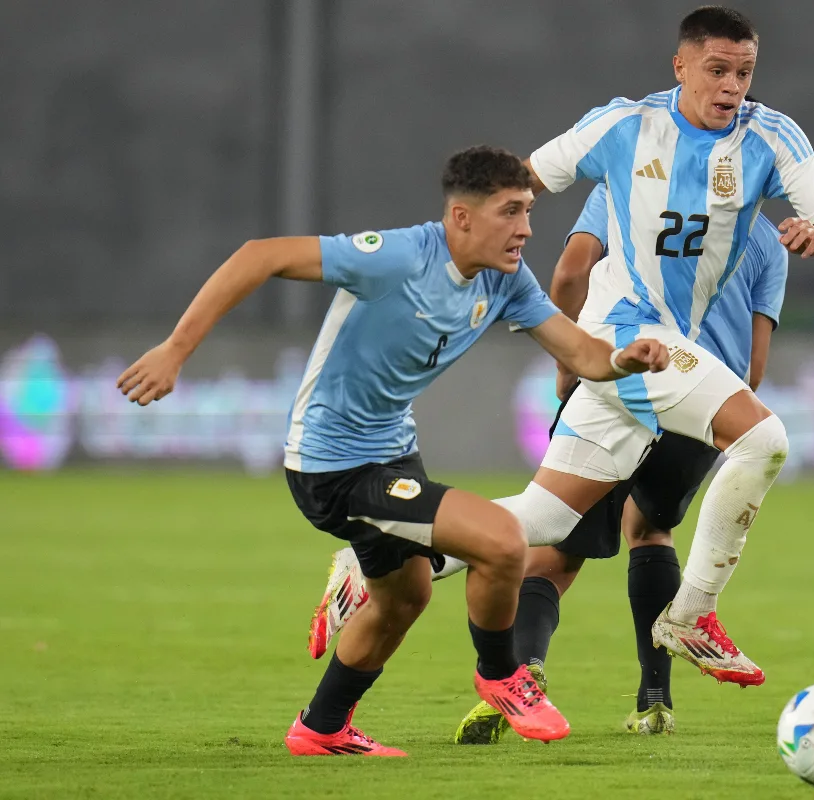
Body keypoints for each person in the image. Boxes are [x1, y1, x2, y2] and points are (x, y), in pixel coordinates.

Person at [115, 145, 669, 757]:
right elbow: (260, 255)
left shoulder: (506, 279)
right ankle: (500, 674)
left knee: (405, 597)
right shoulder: (397, 257)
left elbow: (583, 354)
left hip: (392, 453)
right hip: (331, 464)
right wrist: (175, 350)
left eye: (528, 211)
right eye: (510, 211)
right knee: (502, 541)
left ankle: (321, 727)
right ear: (461, 216)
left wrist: (624, 358)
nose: (526, 229)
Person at [432, 5, 814, 688]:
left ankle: (384, 550)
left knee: (545, 515)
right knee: (764, 439)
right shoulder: (625, 127)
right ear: (680, 66)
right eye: (716, 70)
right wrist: (460, 246)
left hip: (650, 351)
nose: (731, 87)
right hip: (626, 331)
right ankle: (691, 615)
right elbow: (523, 182)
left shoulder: (770, 137)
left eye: (744, 73)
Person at [306, 178, 788, 741]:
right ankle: (663, 677)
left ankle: (376, 562)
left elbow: (569, 272)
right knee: (655, 528)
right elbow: (752, 368)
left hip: (613, 366)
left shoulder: (627, 179)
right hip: (692, 393)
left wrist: (571, 364)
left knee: (551, 522)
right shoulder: (766, 240)